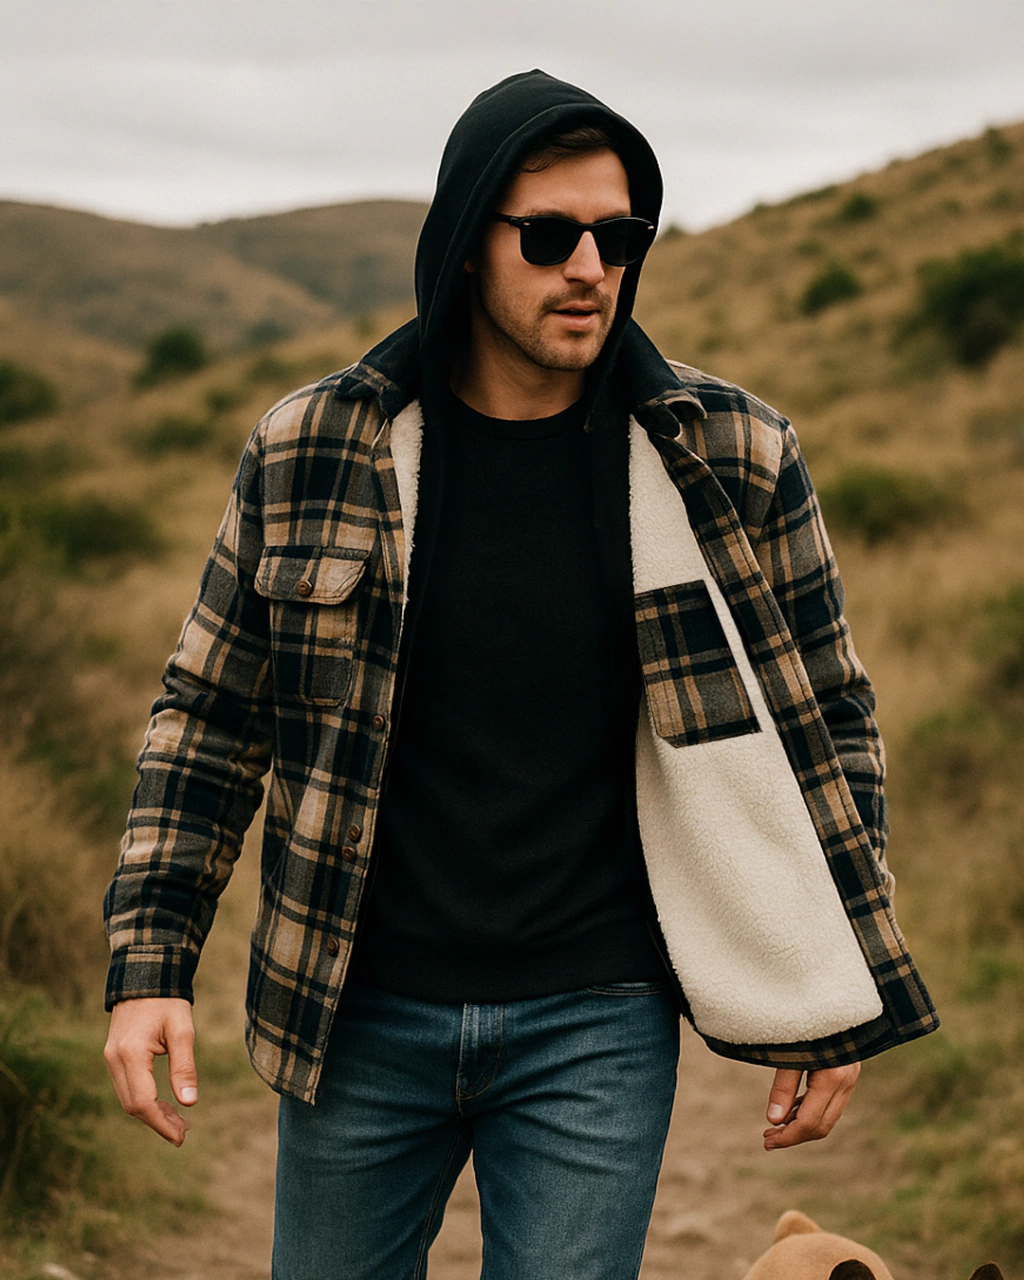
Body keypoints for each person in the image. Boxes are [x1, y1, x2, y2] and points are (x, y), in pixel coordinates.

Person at [103, 69, 937, 1280]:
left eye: (618, 236)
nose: (589, 268)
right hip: (356, 1004)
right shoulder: (315, 447)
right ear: (464, 241)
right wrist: (149, 967)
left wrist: (836, 982)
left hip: (598, 1015)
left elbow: (830, 720)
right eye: (548, 236)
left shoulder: (731, 454)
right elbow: (210, 719)